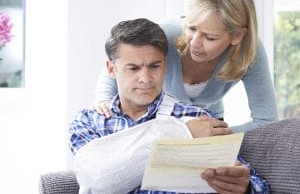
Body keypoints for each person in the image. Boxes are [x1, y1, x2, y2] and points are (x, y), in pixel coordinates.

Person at [69, 18, 269, 194]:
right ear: (112, 69)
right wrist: (182, 133)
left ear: (165, 64)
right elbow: (96, 183)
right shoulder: (89, 122)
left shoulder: (199, 119)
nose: (145, 79)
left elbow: (257, 183)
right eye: (133, 68)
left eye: (154, 66)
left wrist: (244, 187)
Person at [93, 0, 278, 133]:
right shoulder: (166, 34)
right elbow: (119, 64)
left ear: (237, 36)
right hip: (160, 122)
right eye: (192, 28)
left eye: (210, 37)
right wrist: (104, 101)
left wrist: (220, 135)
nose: (195, 43)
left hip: (208, 124)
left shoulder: (250, 53)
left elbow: (267, 121)